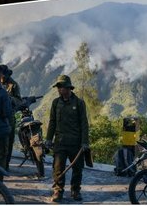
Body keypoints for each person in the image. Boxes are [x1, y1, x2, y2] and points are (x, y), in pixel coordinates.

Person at [45, 74, 90, 203]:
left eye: (61, 87)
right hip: (60, 142)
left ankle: (75, 190)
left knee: (77, 169)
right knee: (58, 168)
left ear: (68, 88)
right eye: (58, 87)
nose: (59, 89)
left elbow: (84, 123)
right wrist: (49, 139)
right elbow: (52, 122)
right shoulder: (56, 103)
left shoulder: (79, 103)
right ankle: (58, 191)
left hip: (75, 143)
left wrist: (84, 142)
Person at [0, 64, 23, 170]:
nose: (2, 77)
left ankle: (5, 165)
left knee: (8, 143)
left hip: (9, 117)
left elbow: (18, 100)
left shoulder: (13, 85)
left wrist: (9, 99)